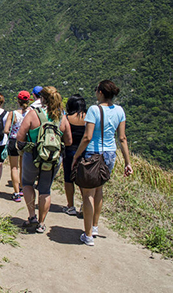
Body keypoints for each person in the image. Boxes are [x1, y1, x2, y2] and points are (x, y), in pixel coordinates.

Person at [72, 80, 133, 246]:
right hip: (110, 154)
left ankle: (88, 235)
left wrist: (77, 156)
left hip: (92, 153)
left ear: (100, 92)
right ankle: (95, 226)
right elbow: (122, 138)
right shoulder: (120, 110)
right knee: (99, 189)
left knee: (87, 195)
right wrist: (128, 162)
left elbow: (87, 137)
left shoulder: (94, 109)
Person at [16, 86, 72, 233]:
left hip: (33, 155)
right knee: (45, 190)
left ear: (42, 99)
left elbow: (20, 136)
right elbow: (69, 141)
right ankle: (41, 223)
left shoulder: (34, 114)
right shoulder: (62, 117)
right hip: (53, 158)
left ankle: (32, 216)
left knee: (27, 184)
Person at [4, 90, 31, 202]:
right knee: (23, 167)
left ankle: (16, 193)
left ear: (18, 101)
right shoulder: (32, 113)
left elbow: (6, 129)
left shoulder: (13, 114)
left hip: (13, 141)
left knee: (14, 168)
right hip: (25, 142)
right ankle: (22, 189)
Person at [62, 94, 87, 216]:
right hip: (85, 151)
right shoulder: (88, 119)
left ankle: (70, 206)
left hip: (69, 150)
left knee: (68, 178)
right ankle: (85, 205)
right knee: (83, 180)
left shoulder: (67, 118)